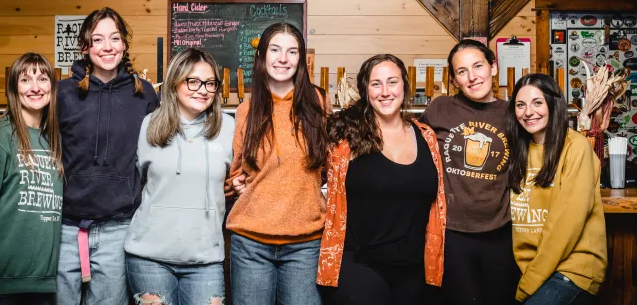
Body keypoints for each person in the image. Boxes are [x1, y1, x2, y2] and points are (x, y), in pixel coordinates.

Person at [317, 54, 447, 305]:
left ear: (405, 87)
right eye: (376, 84)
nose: (385, 91)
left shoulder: (426, 137)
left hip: (414, 269)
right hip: (358, 266)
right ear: (365, 91)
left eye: (392, 82)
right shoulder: (346, 138)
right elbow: (306, 171)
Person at [56, 7, 158, 304]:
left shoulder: (144, 93)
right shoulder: (63, 92)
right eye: (98, 40)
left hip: (118, 227)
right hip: (65, 227)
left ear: (125, 44)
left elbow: (156, 152)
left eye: (115, 38)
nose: (108, 47)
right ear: (85, 47)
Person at [226, 22, 329, 305]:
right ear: (262, 57)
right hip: (251, 241)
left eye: (292, 51)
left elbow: (329, 168)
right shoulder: (246, 109)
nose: (283, 58)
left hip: (305, 243)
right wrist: (234, 183)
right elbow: (235, 173)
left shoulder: (319, 104)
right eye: (275, 49)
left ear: (301, 60)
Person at [124, 48, 233, 305]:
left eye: (210, 83)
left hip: (205, 260)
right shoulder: (149, 125)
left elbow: (240, 175)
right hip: (148, 257)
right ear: (175, 82)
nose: (202, 89)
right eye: (193, 81)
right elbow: (133, 181)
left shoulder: (229, 128)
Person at [419, 39, 519, 305]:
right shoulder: (439, 108)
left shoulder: (512, 114)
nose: (472, 77)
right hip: (452, 233)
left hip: (501, 231)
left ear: (493, 67)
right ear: (454, 79)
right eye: (462, 71)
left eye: (478, 66)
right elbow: (411, 149)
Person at [0, 53, 64, 305]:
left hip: (47, 283)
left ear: (52, 87)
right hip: (3, 285)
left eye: (42, 78)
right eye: (25, 80)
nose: (36, 87)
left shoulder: (55, 141)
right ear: (13, 89)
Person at [507, 74, 607, 304]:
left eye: (537, 102)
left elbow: (565, 226)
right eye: (520, 105)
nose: (528, 112)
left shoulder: (575, 147)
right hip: (532, 270)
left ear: (554, 104)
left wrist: (528, 285)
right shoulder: (518, 150)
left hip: (572, 269)